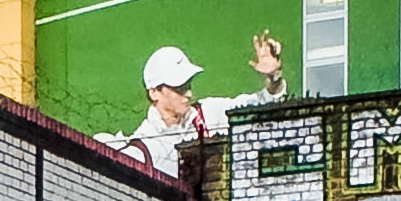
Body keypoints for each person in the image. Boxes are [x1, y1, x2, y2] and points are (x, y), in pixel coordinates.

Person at [104, 38, 284, 177]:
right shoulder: (144, 149)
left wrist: (273, 77)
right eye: (179, 88)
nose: (188, 94)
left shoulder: (209, 113)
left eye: (188, 85)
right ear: (154, 93)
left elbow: (262, 106)